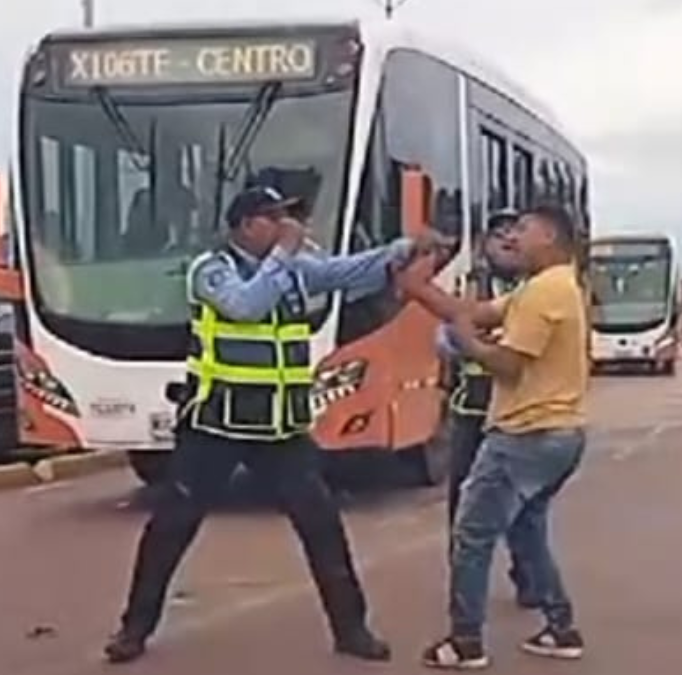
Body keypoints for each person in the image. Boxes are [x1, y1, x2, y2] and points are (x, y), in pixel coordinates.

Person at [104, 184, 444, 664]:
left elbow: (346, 272)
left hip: (280, 430)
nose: (286, 227)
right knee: (171, 528)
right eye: (273, 218)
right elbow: (246, 304)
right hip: (215, 426)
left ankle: (352, 631)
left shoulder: (293, 268)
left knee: (323, 528)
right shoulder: (211, 270)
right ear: (245, 226)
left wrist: (403, 250)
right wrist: (285, 253)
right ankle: (132, 631)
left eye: (286, 217)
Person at [397, 204, 589, 669]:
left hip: (525, 434)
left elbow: (507, 364)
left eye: (522, 230)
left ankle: (465, 642)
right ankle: (561, 629)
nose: (512, 239)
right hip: (557, 436)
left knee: (472, 535)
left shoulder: (546, 292)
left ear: (549, 237)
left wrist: (467, 344)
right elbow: (474, 312)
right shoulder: (548, 287)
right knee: (526, 534)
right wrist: (420, 288)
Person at [434, 209, 539, 609]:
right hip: (471, 410)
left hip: (517, 411)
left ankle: (529, 579)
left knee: (523, 503)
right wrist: (464, 337)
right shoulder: (468, 286)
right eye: (499, 238)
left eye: (514, 237)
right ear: (484, 245)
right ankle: (462, 585)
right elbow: (442, 340)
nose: (507, 244)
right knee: (462, 503)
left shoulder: (536, 288)